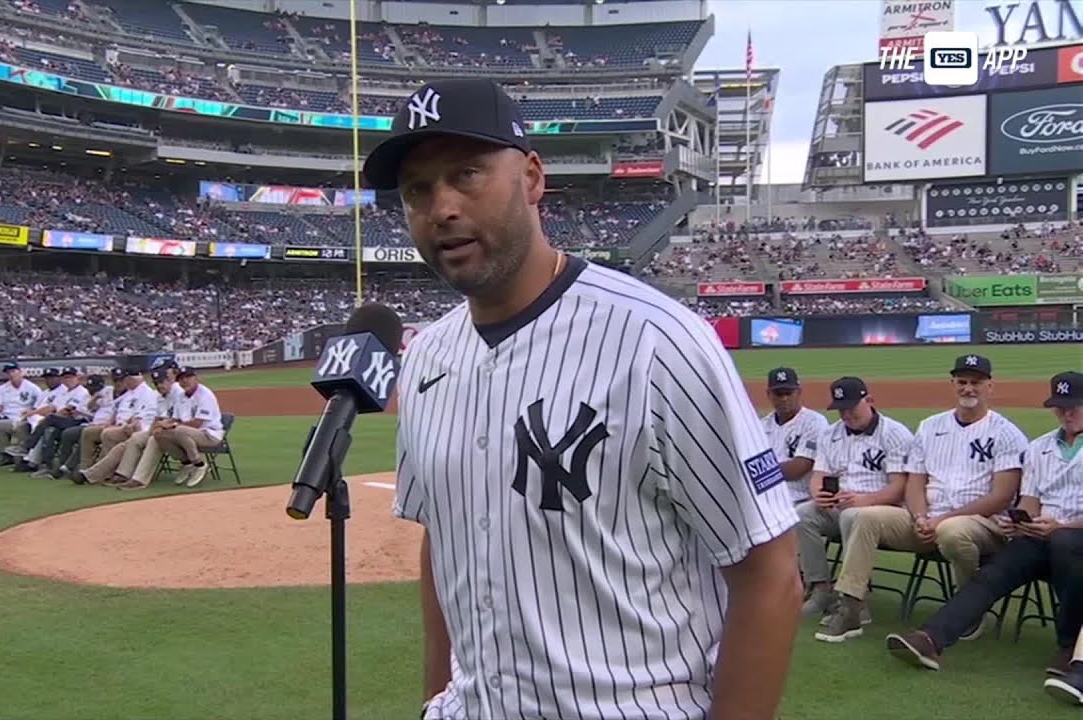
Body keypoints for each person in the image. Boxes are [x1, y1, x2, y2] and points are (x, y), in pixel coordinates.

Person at [364, 77, 802, 720]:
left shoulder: (657, 340)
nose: (443, 207)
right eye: (417, 191)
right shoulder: (426, 356)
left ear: (533, 178)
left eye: (468, 173)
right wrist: (436, 700)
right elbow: (443, 543)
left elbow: (770, 572)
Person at [817, 354, 1027, 643]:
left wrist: (940, 520)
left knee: (953, 532)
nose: (968, 388)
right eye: (962, 382)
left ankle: (967, 610)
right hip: (926, 519)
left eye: (976, 382)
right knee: (862, 516)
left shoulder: (1006, 434)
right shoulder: (930, 426)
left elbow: (1001, 497)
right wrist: (919, 517)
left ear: (990, 386)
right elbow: (914, 482)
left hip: (982, 524)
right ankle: (853, 606)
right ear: (952, 384)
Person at [886, 371, 1082, 680]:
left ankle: (1069, 647)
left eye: (1073, 406)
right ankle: (931, 638)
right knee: (991, 576)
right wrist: (1023, 522)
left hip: (1075, 537)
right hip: (1041, 537)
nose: (1066, 413)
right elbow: (1029, 500)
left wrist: (1062, 525)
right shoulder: (1040, 447)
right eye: (1060, 407)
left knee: (1063, 545)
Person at [798, 377, 913, 626]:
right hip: (841, 506)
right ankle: (820, 589)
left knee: (854, 515)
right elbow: (819, 475)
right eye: (841, 409)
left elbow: (900, 488)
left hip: (882, 511)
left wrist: (864, 500)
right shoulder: (831, 433)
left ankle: (853, 602)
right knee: (804, 513)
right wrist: (819, 493)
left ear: (869, 401)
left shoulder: (894, 434)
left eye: (852, 407)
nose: (847, 414)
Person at [757, 367, 829, 506]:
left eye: (789, 393)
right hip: (766, 498)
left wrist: (762, 472)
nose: (784, 398)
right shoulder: (762, 425)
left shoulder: (814, 422)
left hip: (800, 499)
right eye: (778, 393)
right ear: (769, 394)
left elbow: (798, 468)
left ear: (799, 392)